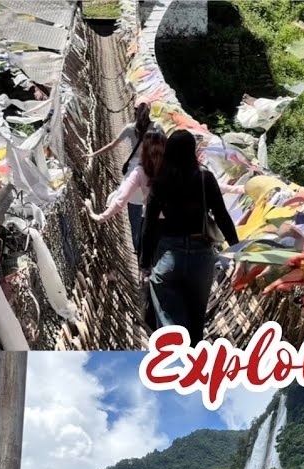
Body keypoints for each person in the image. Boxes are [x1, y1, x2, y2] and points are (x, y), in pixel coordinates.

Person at [140, 130, 239, 340]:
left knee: (168, 318)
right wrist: (236, 247)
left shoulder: (161, 179)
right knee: (196, 319)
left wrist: (145, 263)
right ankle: (193, 361)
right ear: (193, 150)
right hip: (201, 255)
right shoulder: (205, 177)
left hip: (169, 254)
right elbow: (222, 215)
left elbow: (149, 223)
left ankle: (174, 357)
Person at [91, 103, 164, 254]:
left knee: (133, 211)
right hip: (154, 172)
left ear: (134, 112)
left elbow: (112, 145)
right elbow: (167, 147)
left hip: (134, 171)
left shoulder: (131, 128)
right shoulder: (157, 127)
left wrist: (93, 154)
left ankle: (138, 247)